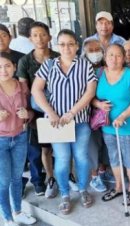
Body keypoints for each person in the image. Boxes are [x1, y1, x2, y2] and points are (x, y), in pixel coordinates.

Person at [32, 29, 97, 214]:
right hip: (57, 124)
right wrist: (51, 113)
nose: (66, 47)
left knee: (82, 157)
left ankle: (84, 189)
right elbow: (36, 90)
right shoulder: (49, 65)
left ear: (77, 45)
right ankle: (65, 194)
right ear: (56, 46)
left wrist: (73, 112)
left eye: (70, 43)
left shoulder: (85, 65)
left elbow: (90, 92)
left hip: (80, 121)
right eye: (62, 44)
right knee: (61, 159)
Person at [94, 44, 130, 205]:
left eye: (118, 55)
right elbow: (91, 97)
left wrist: (123, 116)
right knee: (114, 158)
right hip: (107, 125)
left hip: (128, 126)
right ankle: (118, 186)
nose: (114, 59)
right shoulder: (99, 73)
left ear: (124, 58)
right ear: (105, 56)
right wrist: (98, 105)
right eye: (110, 55)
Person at [16, 21, 60, 198]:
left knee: (63, 144)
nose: (39, 38)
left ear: (49, 36)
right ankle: (50, 178)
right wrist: (27, 113)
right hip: (38, 111)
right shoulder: (25, 61)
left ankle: (66, 176)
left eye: (43, 34)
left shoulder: (58, 56)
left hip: (61, 109)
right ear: (30, 38)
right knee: (44, 148)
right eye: (35, 35)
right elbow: (23, 88)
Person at [0, 52, 37, 226]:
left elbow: (31, 109)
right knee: (3, 180)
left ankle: (18, 212)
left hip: (20, 136)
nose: (3, 70)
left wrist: (27, 114)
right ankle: (7, 218)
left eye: (7, 66)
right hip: (1, 140)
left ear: (14, 67)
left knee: (17, 177)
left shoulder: (22, 86)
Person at [81, 38, 108, 193]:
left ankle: (103, 171)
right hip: (88, 114)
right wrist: (96, 103)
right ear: (85, 53)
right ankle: (94, 176)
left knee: (104, 144)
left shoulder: (106, 68)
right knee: (91, 146)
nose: (95, 54)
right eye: (91, 51)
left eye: (97, 50)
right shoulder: (82, 69)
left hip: (105, 114)